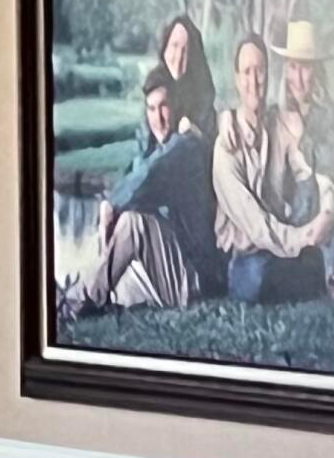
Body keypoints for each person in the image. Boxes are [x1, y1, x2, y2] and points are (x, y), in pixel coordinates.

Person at [61, 67, 226, 318]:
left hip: (194, 277)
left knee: (133, 224)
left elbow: (148, 176)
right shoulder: (159, 150)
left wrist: (110, 203)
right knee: (117, 254)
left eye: (163, 107)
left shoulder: (186, 147)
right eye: (151, 109)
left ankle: (79, 301)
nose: (157, 118)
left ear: (176, 105)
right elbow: (139, 176)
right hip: (167, 267)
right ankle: (75, 290)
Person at [212, 33, 334, 305]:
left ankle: (312, 267)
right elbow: (257, 227)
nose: (254, 81)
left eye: (260, 71)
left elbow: (305, 172)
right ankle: (306, 270)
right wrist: (303, 238)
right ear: (236, 79)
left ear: (269, 76)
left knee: (296, 263)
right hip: (245, 255)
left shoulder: (277, 123)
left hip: (277, 247)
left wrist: (325, 210)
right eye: (246, 72)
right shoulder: (226, 147)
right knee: (259, 276)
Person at [275, 19, 334, 302]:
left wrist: (327, 213)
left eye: (306, 68)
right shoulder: (277, 114)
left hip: (319, 205)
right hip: (287, 213)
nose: (300, 79)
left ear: (317, 71)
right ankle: (323, 272)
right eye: (294, 68)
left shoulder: (328, 114)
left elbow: (332, 170)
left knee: (320, 190)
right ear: (286, 71)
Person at [157, 13, 218, 145]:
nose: (178, 57)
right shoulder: (154, 89)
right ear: (165, 48)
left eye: (185, 50)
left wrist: (194, 130)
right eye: (174, 46)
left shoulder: (203, 99)